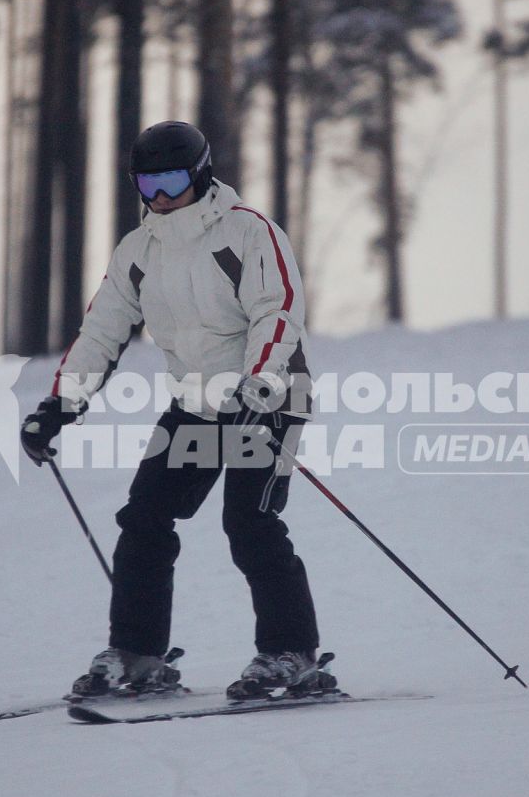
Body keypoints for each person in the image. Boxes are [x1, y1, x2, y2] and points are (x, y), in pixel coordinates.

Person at [19, 120, 334, 703]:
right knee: (144, 520)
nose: (159, 194)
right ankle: (138, 655)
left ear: (200, 172)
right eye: (147, 180)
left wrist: (259, 386)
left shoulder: (248, 233)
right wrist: (60, 404)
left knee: (249, 524)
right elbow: (102, 329)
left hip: (267, 397)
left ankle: (291, 655)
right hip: (195, 405)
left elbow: (278, 311)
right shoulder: (139, 249)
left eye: (170, 179)